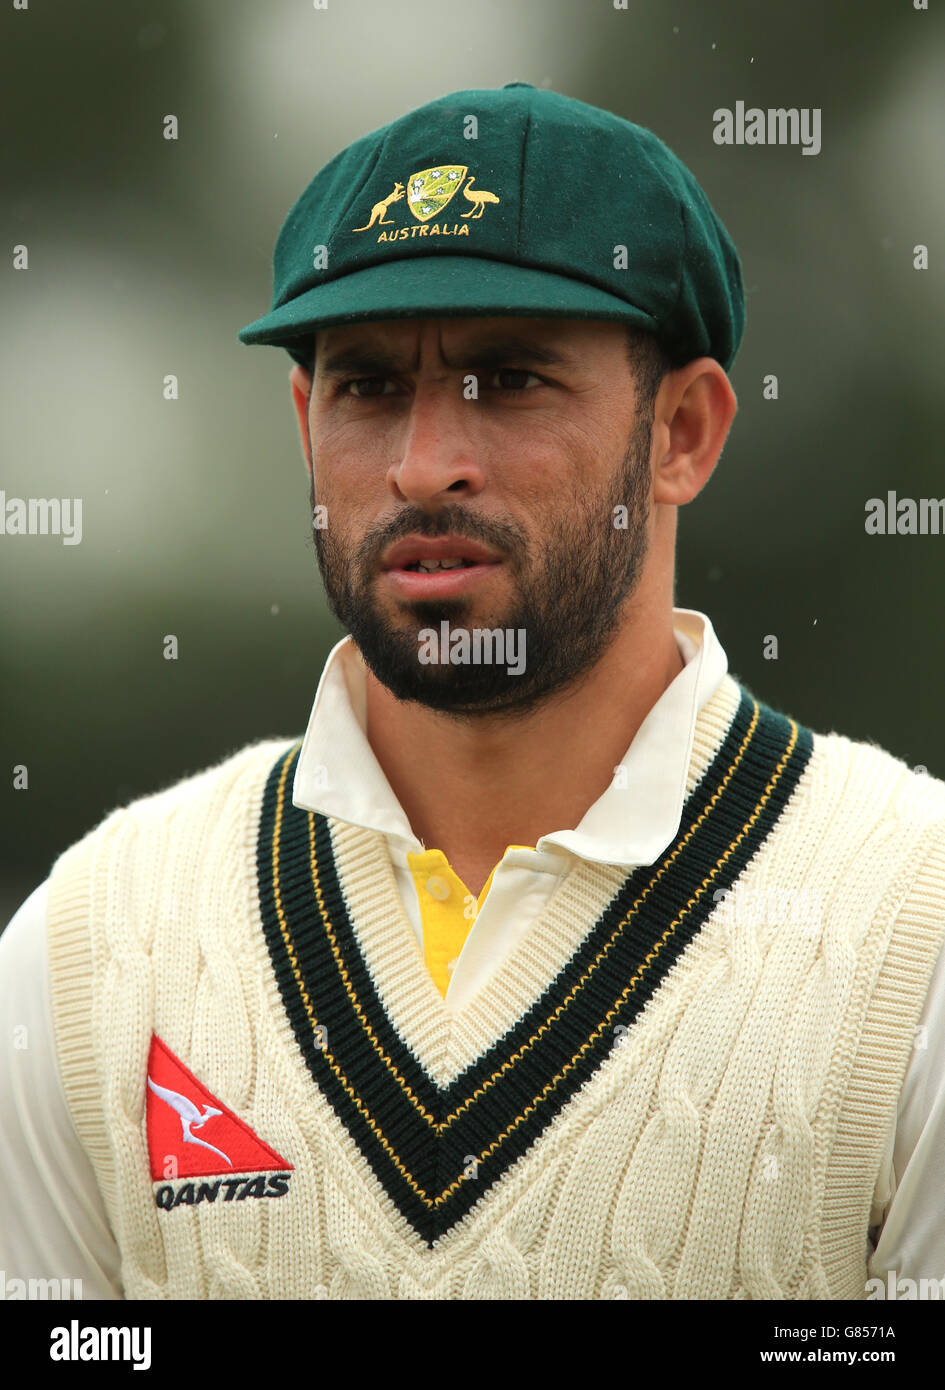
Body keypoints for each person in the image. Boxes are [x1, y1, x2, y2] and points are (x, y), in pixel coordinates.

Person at [2, 82, 944, 1302]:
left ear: (686, 433)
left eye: (509, 379)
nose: (421, 462)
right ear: (304, 422)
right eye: (369, 386)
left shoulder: (910, 927)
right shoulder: (89, 947)